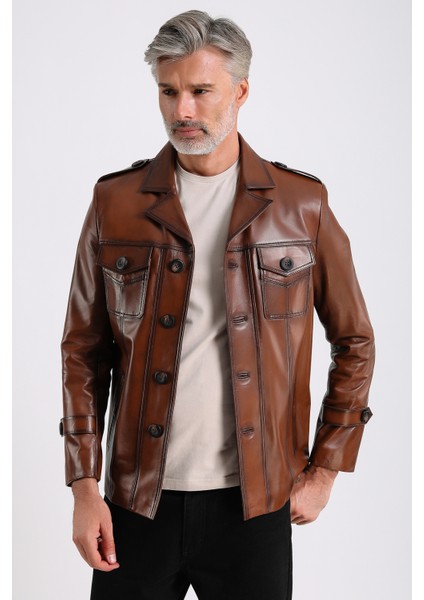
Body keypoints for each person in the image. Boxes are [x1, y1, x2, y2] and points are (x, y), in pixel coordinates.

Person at [60, 9, 375, 600]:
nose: (182, 109)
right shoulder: (115, 202)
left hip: (253, 505)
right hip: (136, 502)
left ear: (241, 91)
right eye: (168, 91)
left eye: (201, 91)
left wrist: (326, 469)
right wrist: (83, 486)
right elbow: (83, 351)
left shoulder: (300, 205)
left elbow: (355, 340)